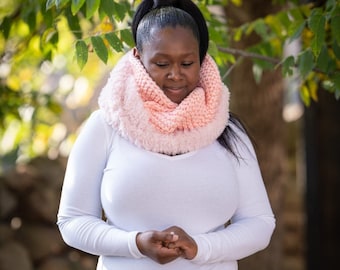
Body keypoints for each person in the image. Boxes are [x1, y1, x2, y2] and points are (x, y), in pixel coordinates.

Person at [57, 0, 276, 269]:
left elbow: (260, 224)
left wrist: (200, 248)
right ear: (138, 58)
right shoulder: (105, 126)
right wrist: (135, 243)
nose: (175, 75)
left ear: (201, 59)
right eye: (161, 63)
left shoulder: (227, 131)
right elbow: (72, 221)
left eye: (187, 63)